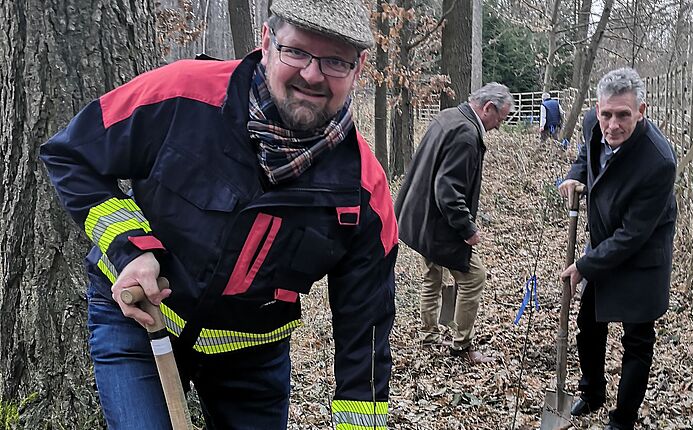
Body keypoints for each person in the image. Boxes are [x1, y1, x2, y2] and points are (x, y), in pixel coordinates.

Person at [39, 0, 397, 428]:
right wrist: (129, 249)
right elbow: (70, 155)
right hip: (140, 320)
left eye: (335, 62)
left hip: (252, 360)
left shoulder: (363, 192)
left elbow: (366, 329)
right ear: (267, 43)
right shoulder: (181, 94)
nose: (312, 74)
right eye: (296, 51)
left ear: (358, 69)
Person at [558, 68, 677, 430]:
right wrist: (576, 173)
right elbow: (586, 153)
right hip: (604, 239)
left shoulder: (659, 161)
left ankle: (623, 419)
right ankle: (592, 392)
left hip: (642, 255)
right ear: (597, 108)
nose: (612, 124)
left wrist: (583, 265)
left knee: (637, 340)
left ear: (642, 110)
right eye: (607, 113)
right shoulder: (593, 123)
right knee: (588, 323)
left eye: (624, 115)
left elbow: (632, 236)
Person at [395, 83, 514, 365]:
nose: (499, 125)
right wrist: (467, 228)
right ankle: (462, 346)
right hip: (436, 222)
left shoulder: (448, 116)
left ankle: (428, 336)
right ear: (488, 108)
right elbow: (448, 189)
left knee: (432, 276)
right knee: (474, 277)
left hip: (418, 217)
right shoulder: (466, 134)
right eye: (501, 117)